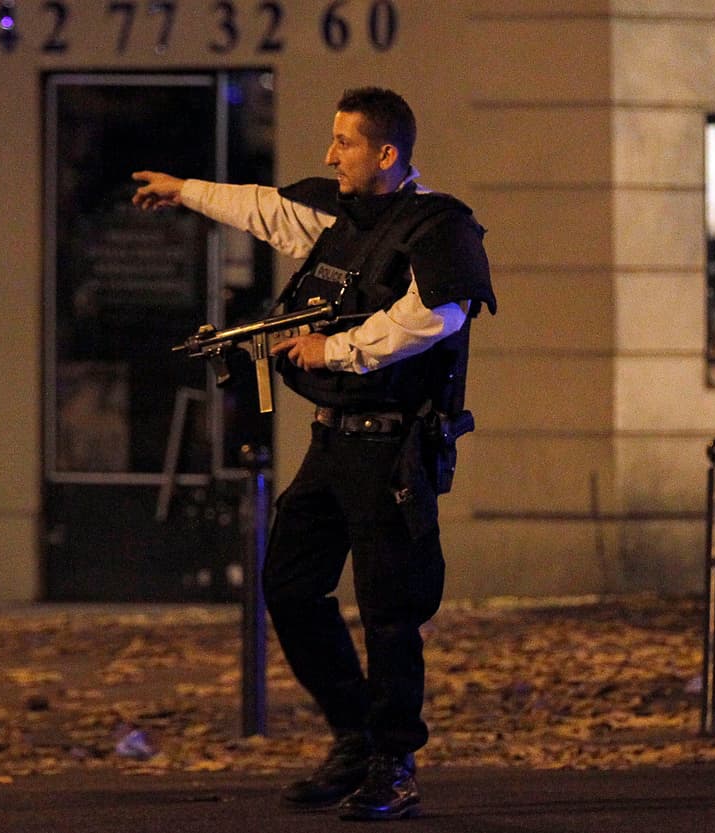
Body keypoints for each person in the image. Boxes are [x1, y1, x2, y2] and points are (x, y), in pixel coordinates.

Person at [132, 87, 495, 821]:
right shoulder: (343, 219)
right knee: (291, 587)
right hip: (332, 441)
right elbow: (264, 209)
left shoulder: (437, 226)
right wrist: (185, 191)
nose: (331, 156)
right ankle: (355, 737)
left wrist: (338, 348)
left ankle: (394, 761)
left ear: (386, 153)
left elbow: (435, 313)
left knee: (391, 612)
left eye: (345, 143)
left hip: (393, 450)